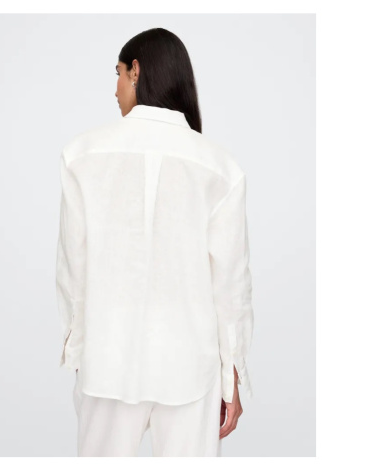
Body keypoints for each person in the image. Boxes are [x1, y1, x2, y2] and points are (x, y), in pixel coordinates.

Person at [56, 27, 254, 457]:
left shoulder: (82, 154)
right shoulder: (220, 167)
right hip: (191, 365)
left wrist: (77, 348)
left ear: (136, 71)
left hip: (107, 358)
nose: (114, 88)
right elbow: (230, 286)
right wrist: (232, 375)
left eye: (117, 73)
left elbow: (74, 268)